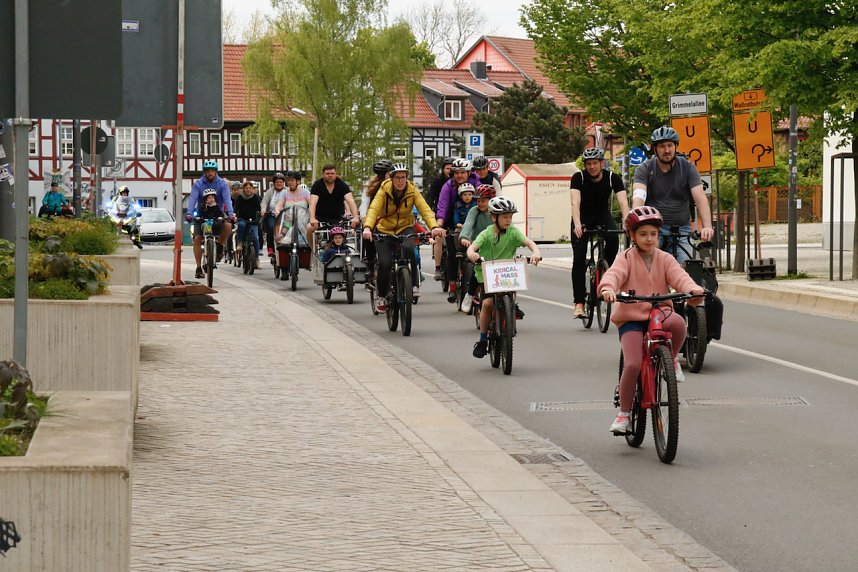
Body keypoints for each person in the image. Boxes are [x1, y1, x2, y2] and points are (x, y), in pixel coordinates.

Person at [598, 206, 704, 433]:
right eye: (643, 234)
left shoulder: (665, 258)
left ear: (659, 234)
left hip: (659, 311)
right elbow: (613, 276)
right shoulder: (625, 257)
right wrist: (608, 289)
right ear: (633, 236)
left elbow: (680, 277)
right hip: (631, 316)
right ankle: (624, 414)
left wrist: (693, 289)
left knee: (678, 323)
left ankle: (672, 359)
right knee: (633, 363)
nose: (649, 239)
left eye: (653, 234)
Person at [362, 163, 445, 313]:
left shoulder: (412, 191)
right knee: (385, 263)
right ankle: (381, 296)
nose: (401, 181)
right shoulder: (384, 190)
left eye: (403, 178)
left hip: (404, 227)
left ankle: (413, 285)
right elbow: (374, 208)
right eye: (397, 178)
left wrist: (434, 227)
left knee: (409, 249)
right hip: (384, 229)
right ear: (392, 178)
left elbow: (425, 209)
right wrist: (368, 227)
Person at [467, 197, 541, 359]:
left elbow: (529, 242)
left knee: (511, 291)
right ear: (494, 217)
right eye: (505, 217)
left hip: (507, 273)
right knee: (487, 304)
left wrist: (536, 252)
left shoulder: (513, 232)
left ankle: (510, 307)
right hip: (487, 274)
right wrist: (472, 253)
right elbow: (473, 247)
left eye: (510, 217)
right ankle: (482, 339)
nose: (508, 220)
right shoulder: (486, 234)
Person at [632, 126, 714, 263]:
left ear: (676, 146)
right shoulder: (645, 169)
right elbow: (638, 198)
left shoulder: (688, 167)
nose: (667, 150)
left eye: (670, 145)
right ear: (655, 149)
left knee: (685, 269)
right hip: (654, 229)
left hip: (682, 229)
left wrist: (707, 226)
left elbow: (700, 198)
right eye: (662, 146)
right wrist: (635, 223)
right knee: (650, 263)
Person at [570, 147, 630, 318]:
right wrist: (577, 225)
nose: (592, 167)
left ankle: (605, 272)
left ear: (602, 163)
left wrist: (627, 222)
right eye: (588, 164)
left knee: (613, 239)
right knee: (579, 257)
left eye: (595, 163)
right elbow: (575, 203)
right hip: (582, 218)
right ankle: (579, 303)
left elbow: (623, 202)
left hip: (602, 216)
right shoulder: (578, 178)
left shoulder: (612, 178)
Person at [435, 158, 480, 300]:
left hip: (474, 223)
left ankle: (479, 285)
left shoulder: (477, 184)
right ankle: (453, 286)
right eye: (456, 173)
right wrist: (439, 224)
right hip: (453, 222)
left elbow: (485, 201)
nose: (459, 176)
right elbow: (442, 206)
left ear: (468, 173)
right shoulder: (448, 185)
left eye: (462, 172)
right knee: (452, 254)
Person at [186, 160, 234, 279]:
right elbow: (192, 199)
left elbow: (227, 199)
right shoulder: (198, 184)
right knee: (197, 238)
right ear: (205, 172)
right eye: (208, 171)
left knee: (228, 226)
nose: (210, 173)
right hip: (202, 215)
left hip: (217, 214)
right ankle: (198, 268)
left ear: (216, 172)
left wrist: (230, 213)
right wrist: (189, 213)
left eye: (212, 171)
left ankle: (220, 245)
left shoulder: (222, 184)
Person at [458, 184, 496, 313]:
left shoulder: (497, 211)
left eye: (483, 201)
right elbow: (468, 224)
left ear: (491, 200)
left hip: (497, 247)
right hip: (478, 245)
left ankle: (511, 303)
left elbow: (508, 226)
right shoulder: (474, 211)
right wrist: (464, 237)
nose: (480, 203)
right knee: (478, 269)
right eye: (478, 201)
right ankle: (469, 295)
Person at [308, 163, 360, 231]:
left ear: (336, 174)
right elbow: (312, 202)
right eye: (327, 173)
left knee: (355, 229)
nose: (330, 175)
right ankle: (311, 242)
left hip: (339, 219)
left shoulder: (342, 185)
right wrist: (312, 218)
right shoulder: (317, 185)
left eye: (332, 173)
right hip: (320, 219)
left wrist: (355, 217)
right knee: (309, 228)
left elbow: (350, 201)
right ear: (323, 174)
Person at [234, 181, 263, 268]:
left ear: (252, 189)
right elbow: (236, 209)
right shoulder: (240, 197)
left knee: (256, 238)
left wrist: (261, 214)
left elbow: (259, 208)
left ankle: (256, 259)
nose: (248, 190)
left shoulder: (255, 197)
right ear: (243, 189)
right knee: (241, 225)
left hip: (253, 220)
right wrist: (235, 216)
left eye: (250, 188)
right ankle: (239, 242)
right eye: (246, 188)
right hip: (242, 219)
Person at [261, 172, 288, 260]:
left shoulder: (287, 191)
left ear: (283, 183)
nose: (279, 184)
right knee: (271, 227)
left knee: (288, 228)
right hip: (272, 214)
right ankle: (270, 248)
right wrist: (263, 210)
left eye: (281, 182)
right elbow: (264, 202)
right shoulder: (270, 191)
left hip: (285, 215)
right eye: (277, 182)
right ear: (274, 183)